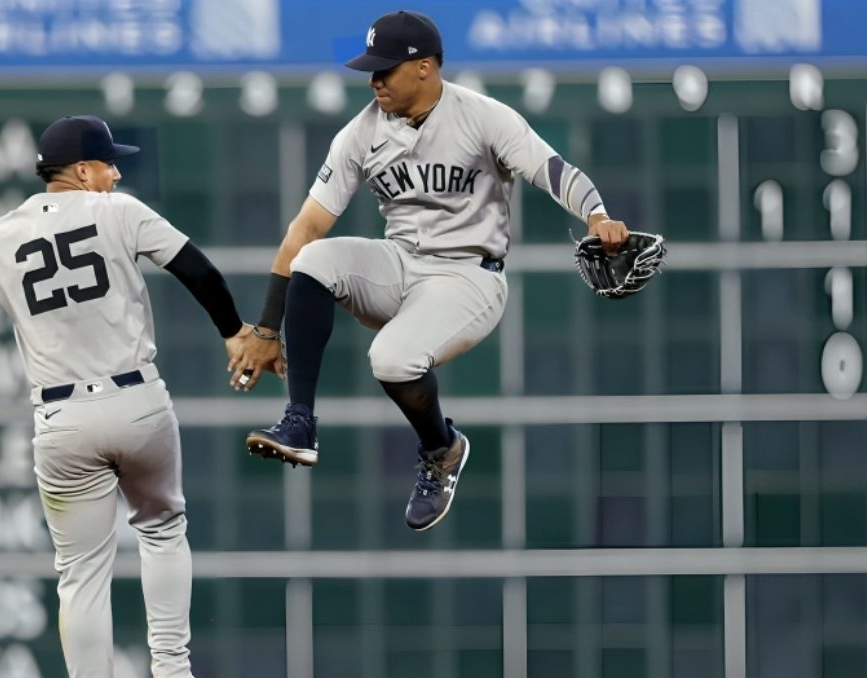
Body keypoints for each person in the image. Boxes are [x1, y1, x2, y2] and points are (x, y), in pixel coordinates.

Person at [228, 10, 629, 532]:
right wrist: (264, 329)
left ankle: (441, 449)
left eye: (385, 69)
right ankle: (300, 422)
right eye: (370, 70)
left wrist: (597, 215)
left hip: (469, 276)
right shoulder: (360, 134)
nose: (373, 81)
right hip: (401, 264)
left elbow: (551, 170)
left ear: (424, 67)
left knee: (391, 360)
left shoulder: (482, 116)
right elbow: (304, 228)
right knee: (314, 259)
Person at [0, 115, 253, 678]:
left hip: (62, 420)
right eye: (107, 162)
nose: (116, 171)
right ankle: (173, 673)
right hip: (138, 404)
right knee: (161, 529)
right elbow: (197, 270)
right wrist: (234, 333)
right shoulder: (119, 211)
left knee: (79, 574)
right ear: (81, 171)